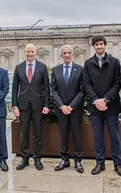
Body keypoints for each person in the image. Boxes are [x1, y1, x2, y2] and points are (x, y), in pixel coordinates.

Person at [83, 35, 121, 177]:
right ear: (93, 46)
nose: (99, 46)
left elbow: (117, 83)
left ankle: (117, 164)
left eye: (101, 44)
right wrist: (96, 100)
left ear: (105, 45)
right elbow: (86, 84)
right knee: (98, 136)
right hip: (95, 107)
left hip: (111, 106)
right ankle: (99, 163)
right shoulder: (88, 63)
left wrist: (106, 99)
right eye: (96, 44)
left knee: (114, 136)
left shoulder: (114, 62)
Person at [12, 43, 50, 170]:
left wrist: (46, 104)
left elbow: (47, 88)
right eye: (28, 51)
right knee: (24, 132)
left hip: (38, 105)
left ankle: (38, 159)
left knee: (38, 133)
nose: (30, 54)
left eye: (32, 52)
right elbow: (14, 89)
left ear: (35, 53)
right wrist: (14, 106)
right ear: (25, 52)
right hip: (23, 105)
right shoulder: (18, 68)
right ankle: (24, 158)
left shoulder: (42, 67)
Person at [50, 45, 84, 173]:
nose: (67, 55)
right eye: (65, 53)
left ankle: (78, 160)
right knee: (63, 135)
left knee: (77, 135)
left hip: (75, 109)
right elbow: (53, 89)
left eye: (69, 53)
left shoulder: (80, 70)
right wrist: (62, 106)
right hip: (61, 109)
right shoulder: (55, 70)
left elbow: (82, 90)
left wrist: (71, 106)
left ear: (72, 54)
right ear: (61, 55)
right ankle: (64, 159)